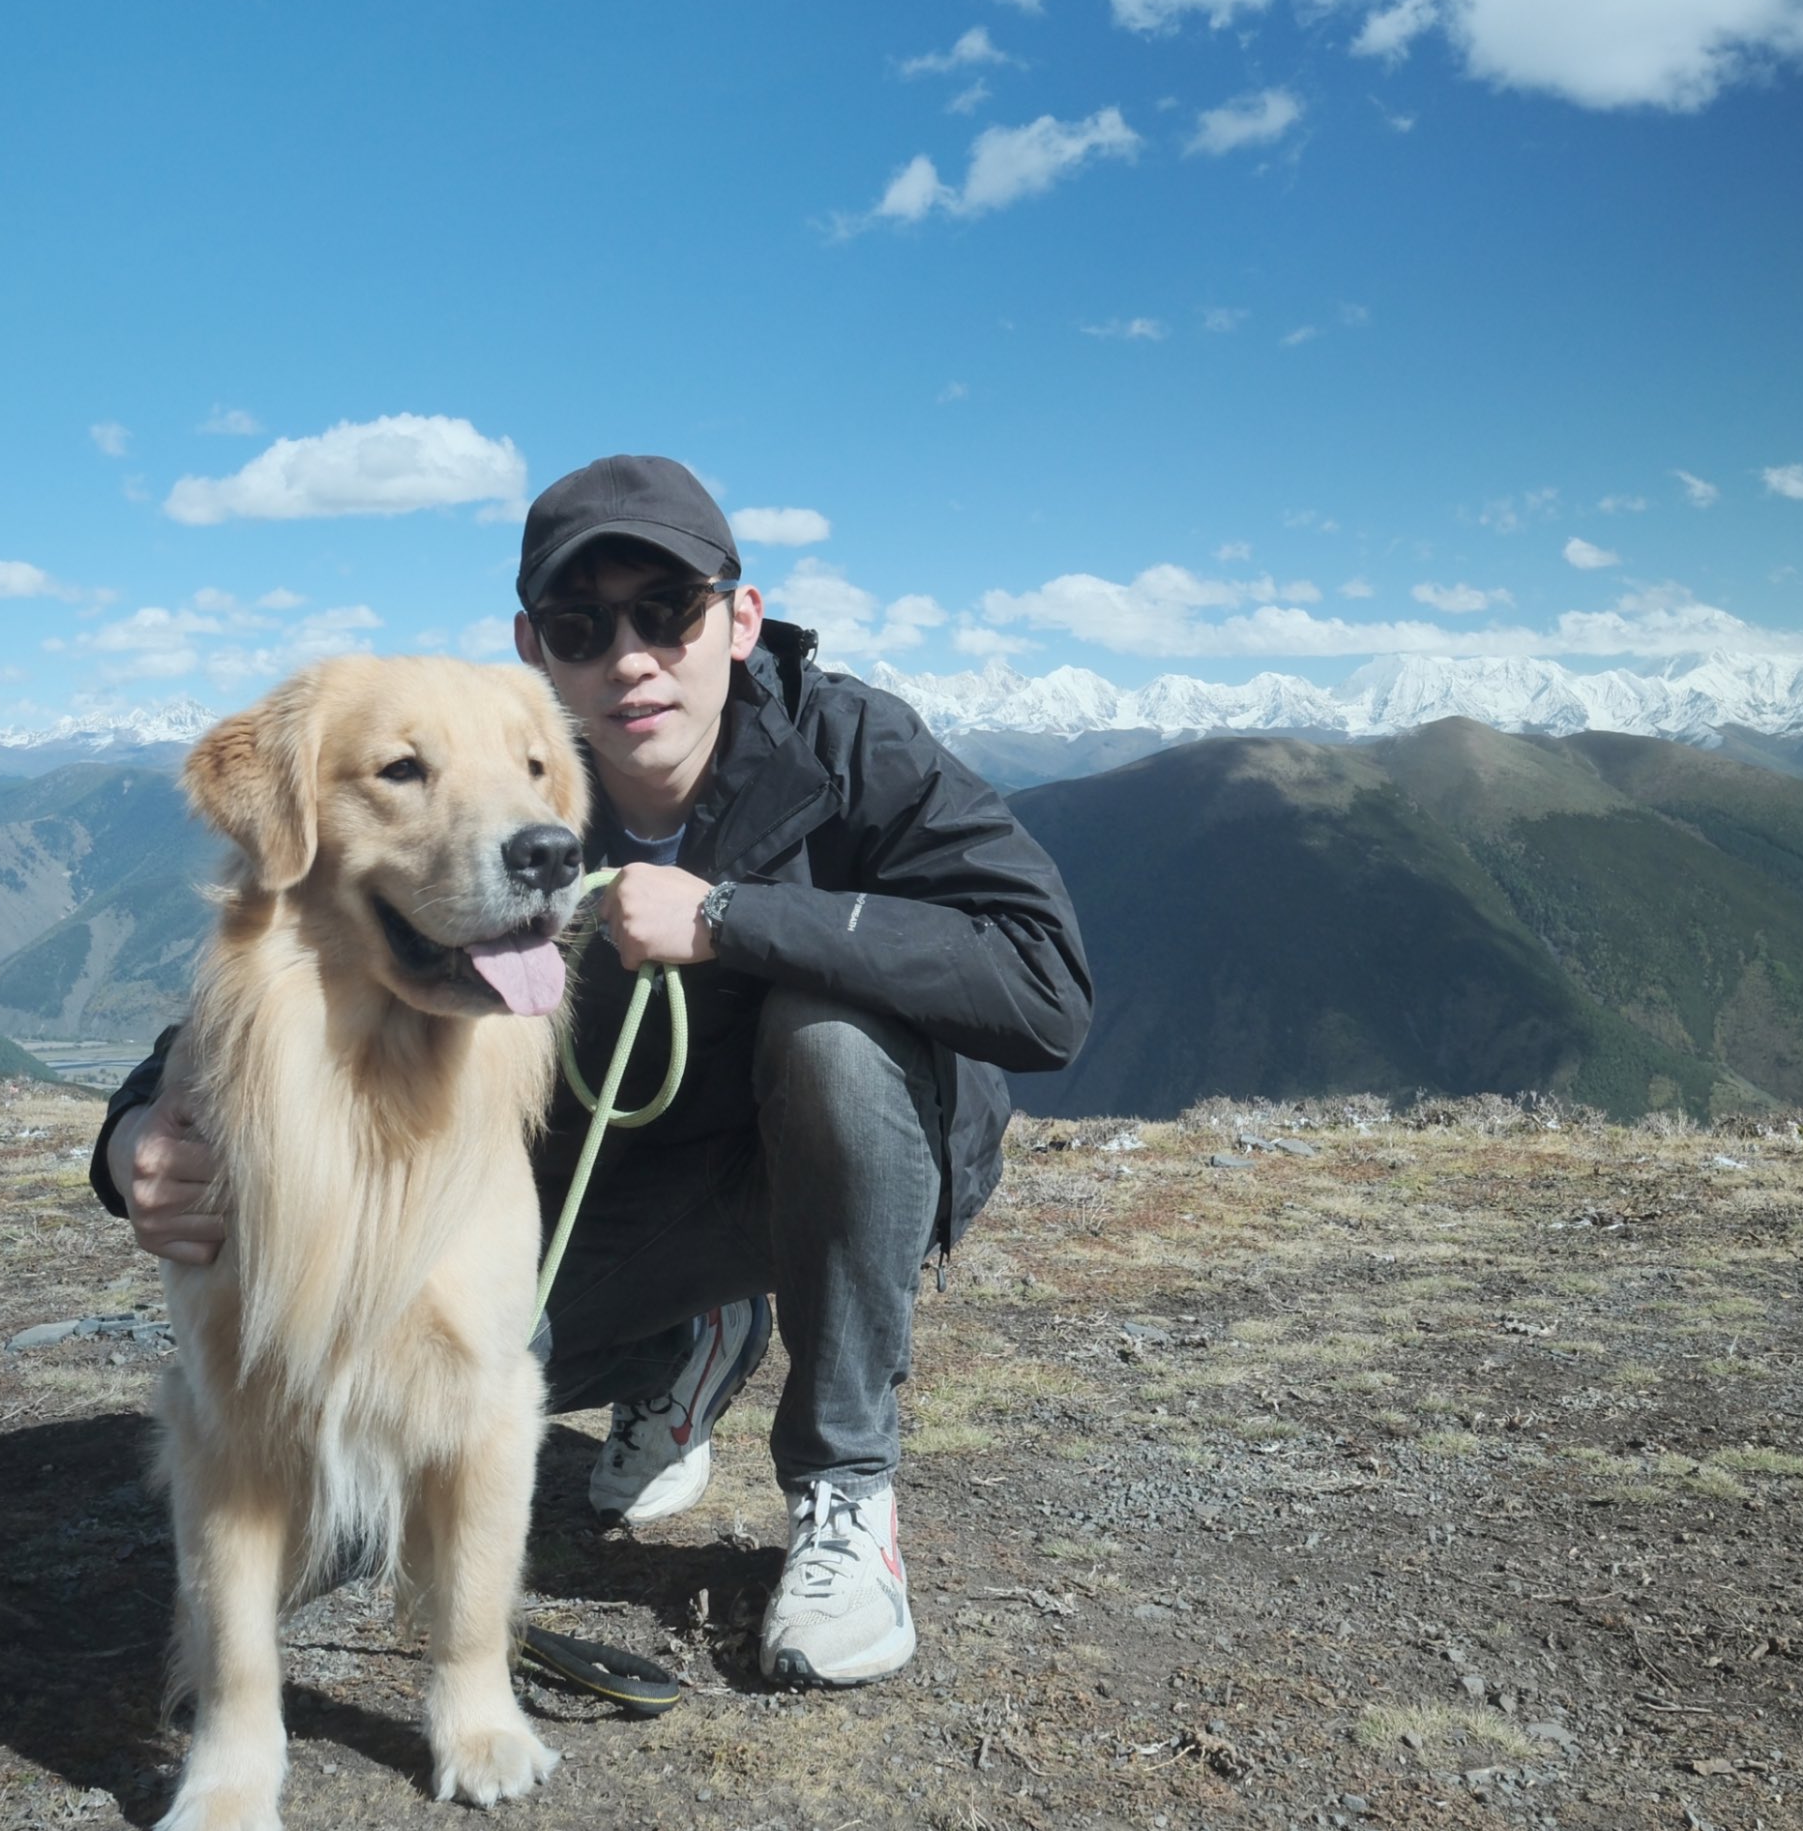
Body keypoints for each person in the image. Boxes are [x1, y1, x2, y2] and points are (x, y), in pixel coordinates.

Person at [92, 455, 1092, 1686]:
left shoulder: (853, 745)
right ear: (535, 644)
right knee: (442, 1412)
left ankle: (844, 1491)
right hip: (622, 1188)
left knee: (826, 1040)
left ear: (739, 618)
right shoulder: (519, 782)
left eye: (666, 612)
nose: (628, 657)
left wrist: (729, 916)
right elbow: (285, 964)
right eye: (581, 625)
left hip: (847, 1162)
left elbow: (1045, 982)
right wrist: (131, 1135)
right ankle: (689, 1347)